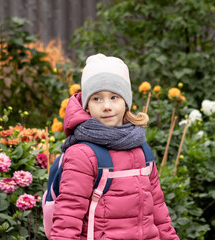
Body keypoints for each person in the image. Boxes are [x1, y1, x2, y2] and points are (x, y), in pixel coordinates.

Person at [50, 54, 179, 239]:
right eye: (97, 99)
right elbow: (68, 217)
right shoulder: (82, 155)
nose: (107, 106)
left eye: (114, 97)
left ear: (126, 102)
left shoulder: (142, 150)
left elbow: (158, 211)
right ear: (86, 106)